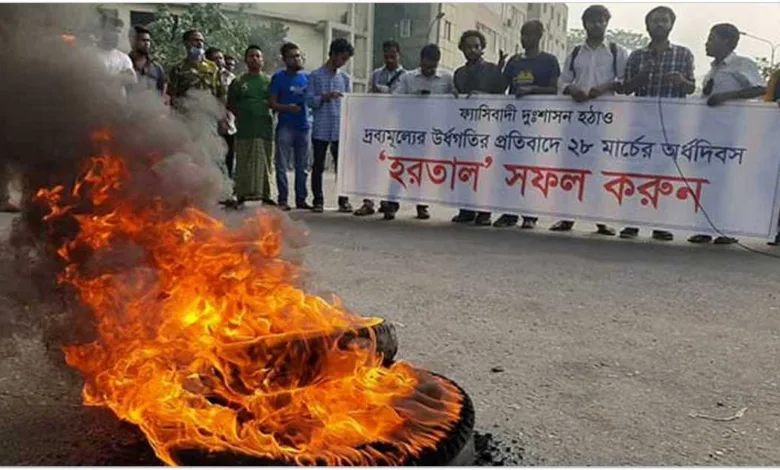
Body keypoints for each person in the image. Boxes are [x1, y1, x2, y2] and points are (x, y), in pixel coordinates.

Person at [621, 6, 695, 242]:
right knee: (637, 172)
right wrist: (640, 79)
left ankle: (660, 224)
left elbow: (692, 87)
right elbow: (625, 89)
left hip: (671, 124)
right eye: (655, 21)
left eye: (664, 20)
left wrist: (682, 81)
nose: (660, 24)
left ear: (671, 24)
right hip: (641, 124)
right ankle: (632, 223)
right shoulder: (637, 56)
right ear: (647, 25)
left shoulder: (683, 54)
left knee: (663, 174)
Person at [686, 23, 765, 245]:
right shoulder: (712, 70)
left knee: (727, 185)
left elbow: (759, 89)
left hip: (733, 135)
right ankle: (705, 228)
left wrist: (726, 96)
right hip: (709, 136)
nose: (706, 43)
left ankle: (726, 230)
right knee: (708, 183)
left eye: (711, 39)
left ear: (727, 41)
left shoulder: (742, 64)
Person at [553, 5, 626, 237]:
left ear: (607, 22)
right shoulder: (575, 52)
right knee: (572, 169)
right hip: (577, 118)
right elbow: (562, 81)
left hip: (605, 120)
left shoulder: (616, 51)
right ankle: (567, 218)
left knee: (600, 170)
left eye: (602, 20)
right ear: (585, 24)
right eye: (593, 20)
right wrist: (571, 88)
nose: (597, 24)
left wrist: (603, 88)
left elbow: (625, 81)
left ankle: (601, 221)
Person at [382, 44, 455, 221]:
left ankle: (422, 205)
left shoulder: (447, 78)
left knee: (426, 169)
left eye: (433, 66)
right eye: (427, 65)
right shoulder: (408, 78)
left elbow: (455, 101)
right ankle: (391, 204)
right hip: (410, 132)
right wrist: (415, 98)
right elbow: (396, 100)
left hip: (434, 134)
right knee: (401, 167)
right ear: (421, 61)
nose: (429, 70)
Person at [502, 20, 561, 229]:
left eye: (530, 34)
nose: (525, 38)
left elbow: (554, 90)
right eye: (523, 34)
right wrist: (500, 67)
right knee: (511, 168)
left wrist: (532, 90)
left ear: (539, 36)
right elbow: (502, 88)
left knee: (532, 169)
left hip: (539, 123)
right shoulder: (514, 62)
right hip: (514, 122)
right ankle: (509, 213)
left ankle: (529, 214)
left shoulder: (549, 61)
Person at [451, 30, 508, 227]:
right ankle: (466, 210)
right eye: (468, 47)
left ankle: (484, 212)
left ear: (482, 48)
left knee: (485, 171)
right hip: (465, 130)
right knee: (465, 169)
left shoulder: (492, 70)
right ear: (462, 49)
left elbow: (501, 96)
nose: (473, 50)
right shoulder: (458, 73)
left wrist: (481, 96)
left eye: (476, 46)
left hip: (487, 129)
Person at [354, 40, 408, 218]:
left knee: (391, 166)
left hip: (395, 128)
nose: (389, 59)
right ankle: (368, 202)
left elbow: (401, 99)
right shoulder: (376, 74)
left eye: (393, 55)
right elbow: (369, 97)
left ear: (399, 55)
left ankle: (389, 202)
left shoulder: (405, 77)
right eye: (386, 56)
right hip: (376, 126)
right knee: (372, 165)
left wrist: (385, 92)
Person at [306, 38, 355, 213]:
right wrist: (325, 97)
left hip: (340, 129)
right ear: (333, 54)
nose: (343, 62)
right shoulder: (315, 76)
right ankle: (318, 200)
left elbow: (349, 103)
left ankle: (343, 200)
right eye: (342, 58)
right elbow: (310, 101)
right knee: (318, 166)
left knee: (341, 168)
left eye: (346, 60)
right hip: (321, 127)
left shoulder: (345, 78)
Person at [226, 45, 274, 208]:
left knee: (265, 161)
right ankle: (242, 194)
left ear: (262, 60)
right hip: (244, 129)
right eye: (251, 56)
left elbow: (275, 102)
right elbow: (231, 103)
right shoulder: (238, 81)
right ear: (246, 60)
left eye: (258, 56)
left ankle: (265, 195)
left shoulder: (269, 81)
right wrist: (244, 113)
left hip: (264, 129)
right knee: (243, 161)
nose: (254, 58)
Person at [269, 42, 312, 211]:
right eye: (293, 57)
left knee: (303, 167)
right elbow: (272, 102)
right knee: (282, 165)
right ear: (285, 60)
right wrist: (288, 108)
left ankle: (301, 199)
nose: (297, 59)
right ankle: (283, 199)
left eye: (298, 55)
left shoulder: (307, 78)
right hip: (285, 127)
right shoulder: (278, 78)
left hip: (304, 127)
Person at [167, 29, 225, 111]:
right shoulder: (178, 68)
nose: (200, 44)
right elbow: (173, 95)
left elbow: (221, 93)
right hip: (186, 114)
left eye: (202, 41)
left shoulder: (212, 67)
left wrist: (222, 114)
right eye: (196, 40)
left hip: (209, 113)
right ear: (186, 43)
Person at [206, 47, 238, 178]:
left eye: (221, 58)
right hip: (209, 121)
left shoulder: (231, 78)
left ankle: (227, 187)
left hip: (228, 121)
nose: (219, 61)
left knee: (228, 155)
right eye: (215, 58)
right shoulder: (204, 75)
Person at [96, 14, 136, 92]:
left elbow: (132, 78)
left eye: (119, 31)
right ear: (104, 31)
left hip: (117, 101)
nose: (117, 35)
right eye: (114, 30)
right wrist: (121, 76)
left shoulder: (123, 57)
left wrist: (110, 78)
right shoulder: (89, 54)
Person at [127, 25, 165, 97]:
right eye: (143, 40)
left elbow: (160, 94)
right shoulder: (124, 64)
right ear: (132, 41)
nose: (147, 43)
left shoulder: (157, 68)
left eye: (148, 40)